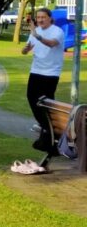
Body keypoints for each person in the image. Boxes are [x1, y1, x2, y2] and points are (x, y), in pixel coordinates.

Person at [22, 8, 66, 152]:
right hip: (36, 71)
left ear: (50, 18)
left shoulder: (57, 31)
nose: (40, 20)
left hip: (51, 73)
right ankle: (47, 130)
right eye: (38, 17)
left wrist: (37, 36)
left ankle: (50, 135)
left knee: (46, 103)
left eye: (43, 17)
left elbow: (51, 44)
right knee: (32, 98)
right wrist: (26, 49)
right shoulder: (36, 32)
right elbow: (25, 50)